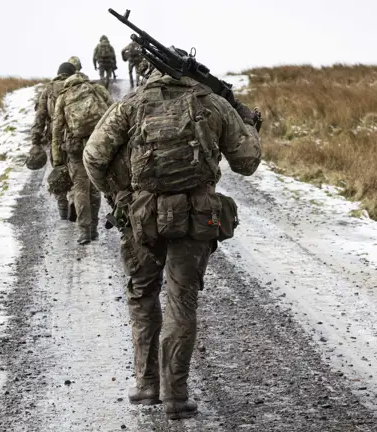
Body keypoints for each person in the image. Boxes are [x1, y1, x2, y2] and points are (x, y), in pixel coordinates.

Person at [83, 69, 262, 419]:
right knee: (182, 301)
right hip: (195, 218)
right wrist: (249, 123)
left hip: (142, 216)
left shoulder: (130, 104)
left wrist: (119, 197)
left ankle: (147, 385)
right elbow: (247, 162)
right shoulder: (213, 103)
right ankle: (176, 398)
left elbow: (93, 156)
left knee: (142, 294)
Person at [51, 63, 113, 244]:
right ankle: (94, 229)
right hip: (97, 144)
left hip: (75, 148)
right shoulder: (95, 89)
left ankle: (84, 231)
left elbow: (57, 129)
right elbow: (113, 111)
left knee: (80, 188)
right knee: (94, 187)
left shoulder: (63, 96)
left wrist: (57, 159)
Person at [31, 62, 80, 220]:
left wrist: (35, 140)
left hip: (55, 138)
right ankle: (74, 198)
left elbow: (40, 116)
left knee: (58, 169)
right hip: (74, 136)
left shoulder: (48, 89)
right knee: (76, 168)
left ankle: (62, 204)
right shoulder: (75, 86)